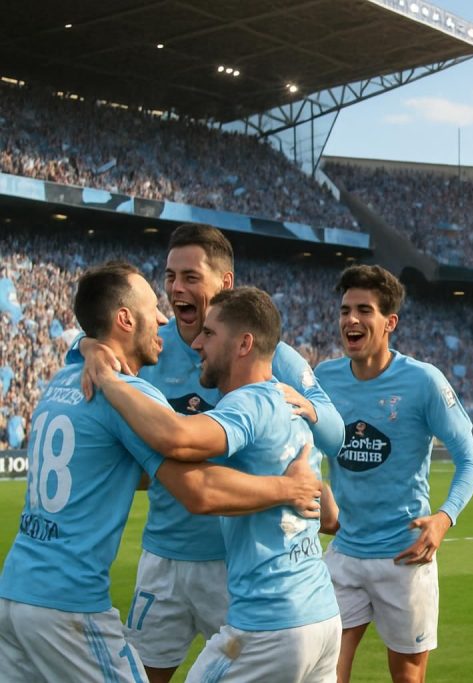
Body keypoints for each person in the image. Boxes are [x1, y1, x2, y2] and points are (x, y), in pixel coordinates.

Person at [0, 263, 324, 683]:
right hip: (67, 604)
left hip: (13, 594)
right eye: (153, 307)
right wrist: (287, 487)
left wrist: (89, 346)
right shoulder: (126, 395)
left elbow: (129, 470)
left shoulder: (64, 377)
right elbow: (198, 491)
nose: (162, 318)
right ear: (124, 319)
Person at [76, 223, 343, 683]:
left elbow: (336, 436)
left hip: (235, 564)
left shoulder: (268, 357)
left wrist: (308, 411)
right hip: (166, 556)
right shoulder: (149, 348)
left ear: (225, 284)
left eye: (190, 277)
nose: (176, 288)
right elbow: (96, 345)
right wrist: (89, 347)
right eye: (170, 277)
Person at [314, 264, 473, 683]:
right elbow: (300, 449)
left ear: (389, 322)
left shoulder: (423, 381)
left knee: (407, 676)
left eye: (364, 310)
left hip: (404, 555)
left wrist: (444, 519)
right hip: (345, 553)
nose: (351, 320)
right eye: (345, 310)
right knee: (322, 667)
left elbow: (470, 460)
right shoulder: (323, 378)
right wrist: (318, 491)